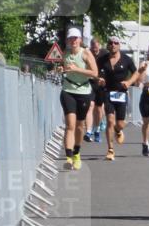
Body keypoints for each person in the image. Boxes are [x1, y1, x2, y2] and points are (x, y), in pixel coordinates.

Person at [59, 28, 99, 170]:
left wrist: (77, 69)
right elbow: (64, 68)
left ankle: (76, 152)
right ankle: (69, 158)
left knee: (79, 126)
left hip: (83, 92)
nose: (73, 41)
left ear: (80, 39)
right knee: (70, 124)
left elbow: (95, 73)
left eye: (76, 38)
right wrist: (61, 70)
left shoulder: (86, 53)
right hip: (68, 91)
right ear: (68, 40)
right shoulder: (65, 53)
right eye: (71, 38)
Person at [95, 35, 138, 161]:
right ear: (108, 45)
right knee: (110, 120)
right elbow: (94, 72)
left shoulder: (127, 60)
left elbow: (136, 72)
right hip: (107, 92)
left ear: (119, 45)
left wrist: (129, 82)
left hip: (121, 93)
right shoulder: (102, 59)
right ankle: (110, 150)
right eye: (110, 43)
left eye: (115, 43)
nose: (113, 44)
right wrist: (99, 79)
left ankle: (118, 130)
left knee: (119, 123)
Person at [84, 38, 106, 143]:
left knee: (99, 109)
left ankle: (97, 129)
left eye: (96, 46)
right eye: (93, 46)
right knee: (90, 106)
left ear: (100, 46)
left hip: (101, 85)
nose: (95, 48)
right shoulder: (87, 53)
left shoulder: (105, 54)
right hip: (91, 83)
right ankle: (88, 131)